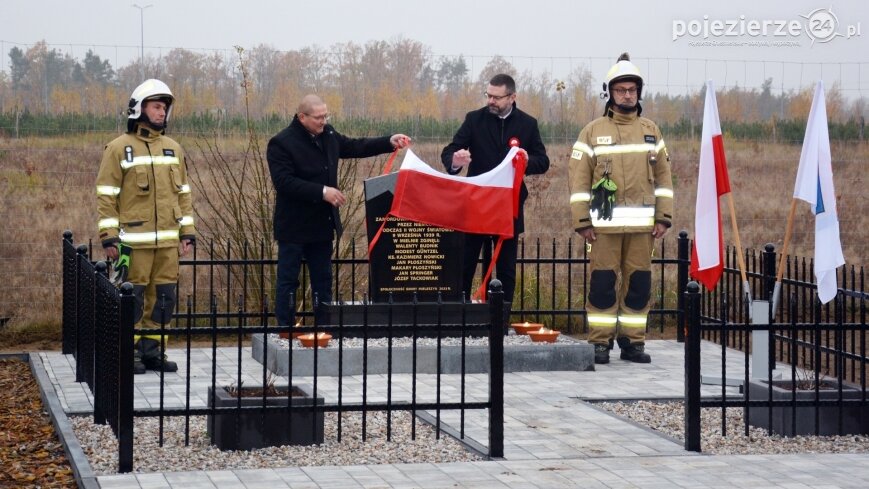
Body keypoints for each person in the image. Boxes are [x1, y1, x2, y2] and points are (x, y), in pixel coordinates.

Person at [267, 94, 411, 328]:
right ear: (302, 117)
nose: (323, 121)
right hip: (293, 225)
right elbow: (284, 182)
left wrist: (388, 142)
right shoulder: (281, 142)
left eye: (326, 116)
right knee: (288, 281)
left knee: (323, 281)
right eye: (318, 117)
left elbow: (355, 146)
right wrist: (323, 191)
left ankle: (324, 327)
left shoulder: (329, 135)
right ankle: (285, 328)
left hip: (322, 224)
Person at [568, 53, 674, 364]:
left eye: (631, 90)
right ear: (610, 93)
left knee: (638, 285)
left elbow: (665, 179)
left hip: (643, 228)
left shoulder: (651, 131)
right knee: (602, 283)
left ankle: (633, 343)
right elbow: (578, 180)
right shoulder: (592, 131)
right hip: (603, 227)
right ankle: (599, 344)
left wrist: (664, 217)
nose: (627, 95)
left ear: (638, 92)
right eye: (620, 90)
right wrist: (582, 221)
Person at [96, 79, 195, 374]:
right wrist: (109, 237)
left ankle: (154, 353)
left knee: (163, 299)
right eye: (155, 106)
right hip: (132, 242)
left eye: (164, 107)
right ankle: (130, 353)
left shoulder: (173, 149)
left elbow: (184, 194)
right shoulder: (118, 148)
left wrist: (187, 233)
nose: (161, 112)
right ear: (138, 109)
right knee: (133, 299)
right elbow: (106, 195)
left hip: (167, 244)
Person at [440, 74, 550, 306]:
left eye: (496, 97)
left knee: (506, 269)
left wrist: (527, 161)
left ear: (512, 97)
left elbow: (544, 161)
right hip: (476, 204)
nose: (491, 101)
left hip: (508, 207)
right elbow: (449, 151)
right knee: (466, 264)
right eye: (488, 95)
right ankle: (463, 315)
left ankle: (501, 319)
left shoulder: (527, 124)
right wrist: (456, 161)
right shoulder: (474, 120)